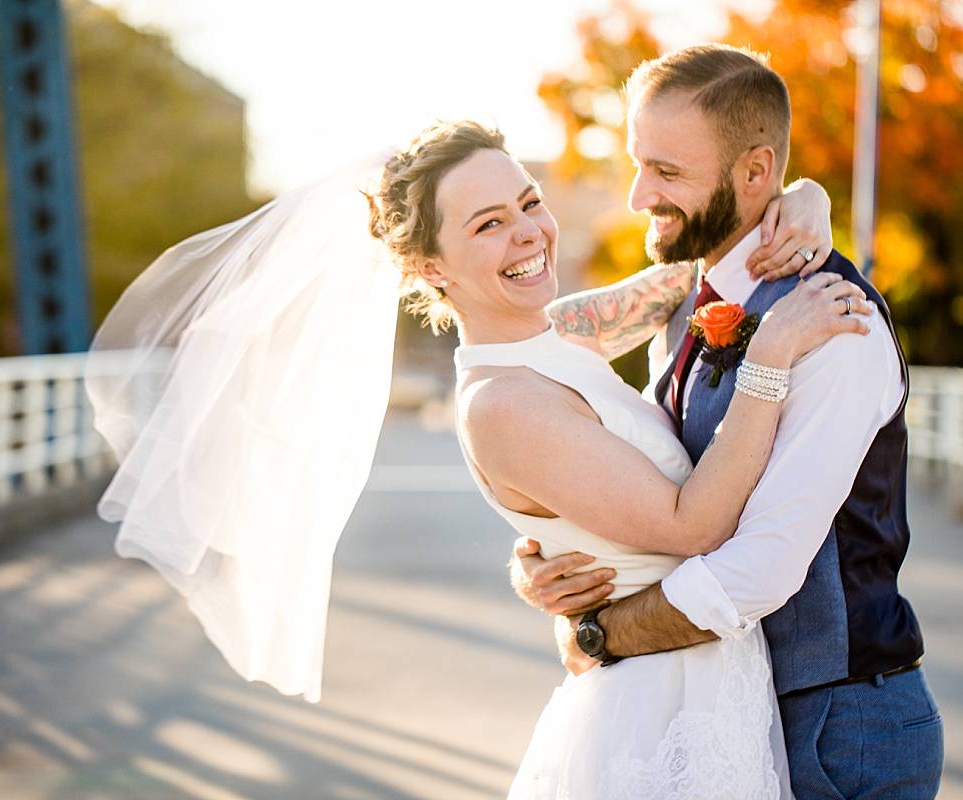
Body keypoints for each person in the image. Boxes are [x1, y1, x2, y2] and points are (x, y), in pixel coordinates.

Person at [363, 115, 872, 798]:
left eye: (529, 202)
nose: (528, 233)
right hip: (658, 712)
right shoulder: (500, 403)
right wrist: (770, 355)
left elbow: (688, 276)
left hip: (709, 687)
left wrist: (807, 197)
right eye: (487, 224)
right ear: (431, 269)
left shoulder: (562, 331)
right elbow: (694, 527)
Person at [509, 44, 945, 799]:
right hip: (724, 713)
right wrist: (555, 552)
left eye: (668, 172)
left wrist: (598, 633)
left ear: (755, 172)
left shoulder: (837, 323)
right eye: (639, 164)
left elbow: (759, 571)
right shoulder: (680, 299)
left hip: (838, 729)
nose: (639, 195)